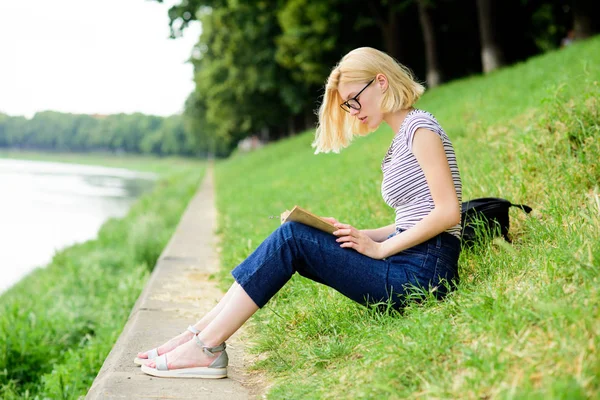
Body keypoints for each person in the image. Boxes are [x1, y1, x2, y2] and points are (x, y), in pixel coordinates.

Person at [138, 47, 462, 379]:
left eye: (354, 99)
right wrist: (362, 235)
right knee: (296, 235)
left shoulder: (420, 129)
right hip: (410, 263)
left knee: (291, 239)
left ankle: (205, 347)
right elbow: (411, 219)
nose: (352, 111)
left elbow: (449, 212)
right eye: (347, 105)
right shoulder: (402, 136)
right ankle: (197, 336)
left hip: (424, 278)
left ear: (380, 82)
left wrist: (380, 248)